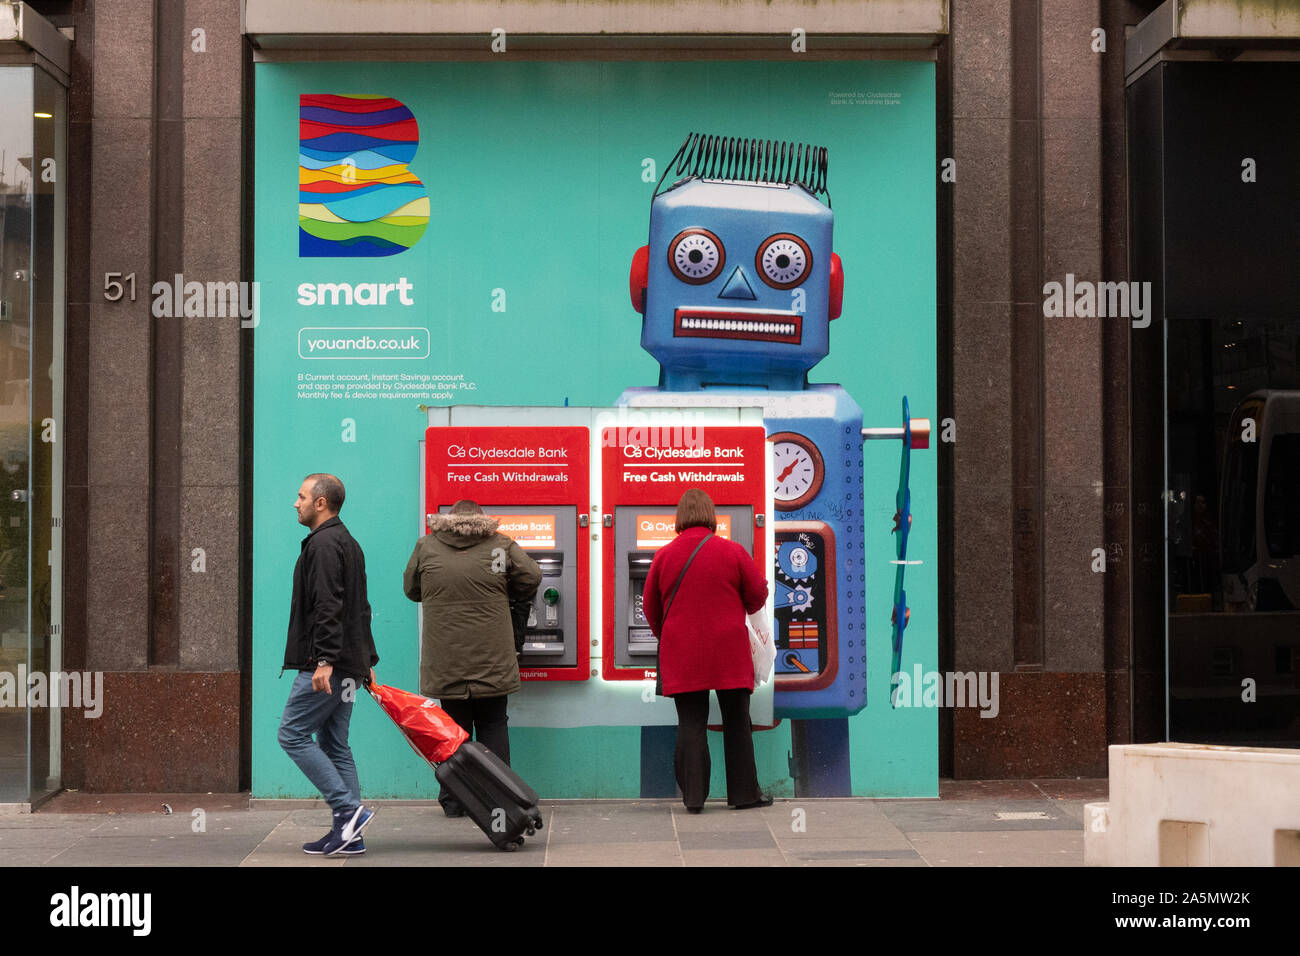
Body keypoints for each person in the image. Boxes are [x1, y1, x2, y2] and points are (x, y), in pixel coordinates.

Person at [404, 500, 541, 816]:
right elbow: (531, 577)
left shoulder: (426, 546)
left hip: (446, 656)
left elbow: (411, 590)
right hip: (492, 655)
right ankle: (502, 798)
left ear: (448, 520)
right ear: (483, 521)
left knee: (453, 729)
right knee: (493, 723)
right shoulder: (500, 544)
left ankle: (455, 801)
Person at [643, 488, 771, 813]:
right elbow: (757, 593)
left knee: (691, 721)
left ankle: (694, 798)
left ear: (680, 517)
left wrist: (669, 635)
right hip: (728, 648)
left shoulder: (664, 555)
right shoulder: (733, 551)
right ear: (712, 516)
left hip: (682, 650)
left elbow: (649, 607)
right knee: (737, 721)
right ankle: (744, 795)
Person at [278, 473, 380, 856]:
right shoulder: (348, 542)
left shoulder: (322, 544)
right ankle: (349, 835)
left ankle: (349, 810)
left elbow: (329, 606)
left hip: (329, 664)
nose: (296, 502)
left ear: (321, 503)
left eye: (301, 496)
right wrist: (366, 658)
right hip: (349, 662)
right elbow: (361, 608)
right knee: (335, 743)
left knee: (291, 734)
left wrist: (323, 659)